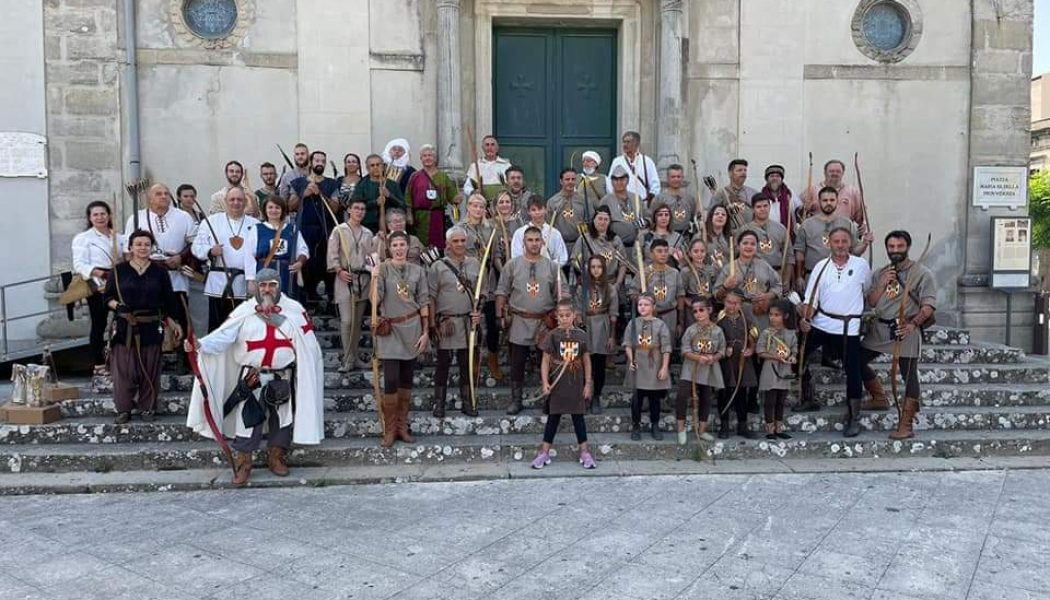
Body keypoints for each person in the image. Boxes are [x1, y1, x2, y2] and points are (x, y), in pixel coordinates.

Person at [186, 268, 324, 487]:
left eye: (271, 284)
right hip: (252, 376)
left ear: (279, 285)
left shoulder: (294, 310)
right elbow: (223, 337)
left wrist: (278, 321)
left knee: (282, 419)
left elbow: (308, 346)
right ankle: (244, 464)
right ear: (256, 287)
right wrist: (201, 344)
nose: (267, 289)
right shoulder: (245, 311)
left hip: (281, 376)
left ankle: (276, 458)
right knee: (247, 420)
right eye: (262, 285)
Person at [860, 230, 936, 440]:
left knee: (909, 376)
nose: (895, 251)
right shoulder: (881, 272)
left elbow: (928, 306)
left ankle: (906, 424)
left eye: (899, 247)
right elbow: (873, 302)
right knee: (855, 360)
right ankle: (878, 397)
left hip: (906, 329)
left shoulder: (922, 273)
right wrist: (883, 282)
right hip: (880, 329)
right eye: (891, 247)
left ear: (907, 247)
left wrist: (913, 325)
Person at [799, 227, 872, 437]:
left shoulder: (861, 266)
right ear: (828, 243)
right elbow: (811, 299)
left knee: (854, 371)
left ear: (850, 243)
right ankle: (808, 397)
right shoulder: (821, 267)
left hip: (849, 328)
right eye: (836, 241)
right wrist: (806, 317)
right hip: (822, 323)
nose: (840, 245)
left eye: (844, 241)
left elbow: (866, 291)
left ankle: (854, 417)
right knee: (798, 357)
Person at [104, 230, 182, 424]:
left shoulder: (160, 272)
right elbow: (107, 297)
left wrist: (173, 322)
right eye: (138, 244)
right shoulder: (118, 270)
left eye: (146, 244)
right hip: (125, 326)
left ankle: (147, 408)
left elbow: (169, 300)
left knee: (150, 369)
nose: (142, 248)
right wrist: (118, 306)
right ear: (130, 247)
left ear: (152, 247)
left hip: (151, 325)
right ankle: (124, 409)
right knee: (124, 371)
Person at [496, 226, 568, 415]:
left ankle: (549, 398)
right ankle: (516, 399)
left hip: (545, 322)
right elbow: (502, 291)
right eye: (530, 240)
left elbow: (563, 294)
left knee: (548, 362)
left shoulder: (553, 267)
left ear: (542, 242)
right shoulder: (512, 265)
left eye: (537, 240)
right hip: (520, 320)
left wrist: (561, 316)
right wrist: (499, 317)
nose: (534, 244)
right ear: (523, 242)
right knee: (517, 362)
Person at [125, 184, 199, 364]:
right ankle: (149, 359)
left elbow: (195, 244)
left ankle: (183, 360)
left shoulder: (183, 217)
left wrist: (181, 257)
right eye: (158, 194)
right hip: (147, 279)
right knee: (150, 318)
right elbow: (128, 251)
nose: (164, 196)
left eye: (167, 193)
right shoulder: (136, 218)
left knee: (179, 316)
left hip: (176, 278)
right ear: (150, 198)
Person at [373, 231, 430, 447]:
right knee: (390, 380)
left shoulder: (418, 270)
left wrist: (425, 332)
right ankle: (389, 429)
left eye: (402, 244)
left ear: (408, 247)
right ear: (389, 248)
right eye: (395, 245)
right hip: (391, 329)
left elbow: (424, 300)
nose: (399, 248)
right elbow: (375, 299)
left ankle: (402, 426)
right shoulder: (383, 270)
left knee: (406, 380)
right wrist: (375, 275)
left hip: (413, 327)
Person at [530, 299, 596, 470]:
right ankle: (544, 452)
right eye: (561, 316)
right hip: (558, 382)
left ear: (574, 316)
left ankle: (584, 452)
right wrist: (545, 382)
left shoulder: (581, 336)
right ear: (557, 317)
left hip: (575, 382)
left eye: (568, 315)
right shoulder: (552, 335)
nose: (565, 318)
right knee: (553, 417)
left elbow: (586, 360)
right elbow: (545, 360)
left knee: (578, 417)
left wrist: (588, 383)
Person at [428, 227, 483, 418]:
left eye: (462, 241)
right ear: (448, 244)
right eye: (456, 241)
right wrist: (433, 324)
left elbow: (481, 294)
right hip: (447, 323)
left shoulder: (475, 263)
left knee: (466, 364)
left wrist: (478, 312)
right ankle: (439, 403)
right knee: (443, 363)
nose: (460, 244)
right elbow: (431, 297)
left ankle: (468, 401)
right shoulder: (438, 267)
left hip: (468, 322)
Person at [192, 187, 259, 331]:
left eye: (240, 199)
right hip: (218, 282)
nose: (236, 203)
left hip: (243, 282)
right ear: (225, 202)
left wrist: (252, 279)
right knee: (217, 326)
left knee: (241, 326)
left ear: (245, 202)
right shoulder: (211, 222)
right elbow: (196, 247)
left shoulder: (255, 224)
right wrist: (210, 251)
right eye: (232, 199)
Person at [72, 201, 126, 376]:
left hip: (118, 281)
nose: (100, 217)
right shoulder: (83, 238)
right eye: (95, 214)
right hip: (97, 283)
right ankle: (99, 363)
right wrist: (101, 274)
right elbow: (80, 264)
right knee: (99, 323)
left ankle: (120, 358)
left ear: (109, 215)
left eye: (103, 214)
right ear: (90, 217)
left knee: (122, 320)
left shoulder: (118, 236)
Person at [794, 186, 872, 294]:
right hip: (813, 276)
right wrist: (799, 276)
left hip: (841, 278)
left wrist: (865, 244)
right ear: (819, 201)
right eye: (825, 200)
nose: (828, 203)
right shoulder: (807, 224)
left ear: (837, 201)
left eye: (832, 200)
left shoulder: (847, 223)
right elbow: (800, 252)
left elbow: (854, 251)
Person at [327, 198, 375, 372]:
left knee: (357, 322)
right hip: (344, 279)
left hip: (362, 280)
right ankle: (347, 359)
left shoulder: (368, 233)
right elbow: (332, 253)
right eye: (356, 208)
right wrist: (338, 270)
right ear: (349, 210)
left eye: (363, 209)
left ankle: (354, 358)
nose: (360, 211)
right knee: (347, 321)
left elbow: (371, 256)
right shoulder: (339, 230)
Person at [289, 150, 341, 308]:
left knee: (327, 263)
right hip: (304, 230)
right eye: (317, 160)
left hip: (326, 230)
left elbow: (336, 207)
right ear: (311, 162)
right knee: (306, 264)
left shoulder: (331, 183)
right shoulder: (298, 182)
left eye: (323, 161)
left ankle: (331, 300)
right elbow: (290, 206)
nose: (320, 163)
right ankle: (305, 300)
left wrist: (321, 195)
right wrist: (304, 194)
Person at [461, 194, 502, 382]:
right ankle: (474, 358)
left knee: (493, 323)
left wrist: (503, 275)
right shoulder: (460, 229)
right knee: (473, 322)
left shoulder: (491, 229)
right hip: (469, 282)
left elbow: (496, 256)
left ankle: (493, 358)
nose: (477, 209)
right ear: (468, 207)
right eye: (474, 205)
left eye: (481, 206)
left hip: (489, 281)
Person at [624, 294, 671, 440]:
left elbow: (666, 347)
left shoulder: (660, 324)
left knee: (654, 398)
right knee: (637, 398)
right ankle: (636, 426)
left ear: (653, 307)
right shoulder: (633, 323)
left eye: (646, 305)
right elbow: (627, 344)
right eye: (640, 305)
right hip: (638, 362)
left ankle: (655, 425)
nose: (642, 307)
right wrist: (631, 360)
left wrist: (664, 367)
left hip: (654, 362)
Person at [715, 230, 782, 332]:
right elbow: (717, 295)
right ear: (738, 246)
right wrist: (725, 286)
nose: (748, 247)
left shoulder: (764, 265)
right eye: (745, 243)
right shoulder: (729, 268)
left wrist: (768, 296)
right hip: (737, 313)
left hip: (759, 311)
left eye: (752, 244)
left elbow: (778, 285)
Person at [679, 298, 725, 443]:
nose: (698, 314)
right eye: (695, 311)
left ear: (709, 310)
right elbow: (685, 350)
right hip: (691, 367)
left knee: (706, 397)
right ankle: (680, 430)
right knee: (682, 395)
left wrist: (714, 357)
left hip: (708, 368)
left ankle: (702, 430)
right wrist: (697, 357)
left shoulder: (717, 331)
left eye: (701, 310)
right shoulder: (691, 330)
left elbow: (722, 350)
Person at [576, 255, 618, 414]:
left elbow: (614, 313)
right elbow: (578, 309)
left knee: (599, 365)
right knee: (585, 362)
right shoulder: (582, 288)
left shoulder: (610, 288)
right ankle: (584, 395)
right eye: (593, 267)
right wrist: (580, 325)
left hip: (602, 326)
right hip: (587, 326)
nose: (596, 270)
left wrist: (612, 336)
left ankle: (596, 397)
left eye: (599, 267)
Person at [245, 196, 308, 297]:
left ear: (282, 210)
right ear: (265, 210)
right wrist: (251, 279)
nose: (274, 210)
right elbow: (249, 255)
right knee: (266, 306)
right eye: (270, 207)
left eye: (277, 207)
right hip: (265, 276)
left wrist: (300, 262)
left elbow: (303, 250)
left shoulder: (292, 229)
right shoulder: (257, 229)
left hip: (287, 276)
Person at [717, 288, 758, 439]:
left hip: (742, 360)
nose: (732, 306)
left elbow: (753, 335)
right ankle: (724, 425)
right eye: (729, 302)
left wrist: (751, 349)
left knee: (741, 393)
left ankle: (742, 425)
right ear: (724, 302)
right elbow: (714, 338)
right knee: (725, 393)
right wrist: (723, 348)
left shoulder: (745, 318)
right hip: (726, 362)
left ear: (741, 304)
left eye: (735, 303)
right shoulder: (719, 319)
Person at [756, 300, 798, 440]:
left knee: (781, 400)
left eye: (776, 315)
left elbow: (794, 350)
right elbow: (760, 351)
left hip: (785, 369)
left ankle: (779, 428)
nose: (772, 318)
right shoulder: (766, 333)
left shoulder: (791, 333)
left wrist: (792, 357)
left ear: (785, 316)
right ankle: (770, 429)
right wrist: (774, 356)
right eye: (771, 314)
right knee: (770, 400)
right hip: (770, 368)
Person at [405, 144, 459, 249]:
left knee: (437, 245)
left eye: (430, 155)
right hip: (419, 217)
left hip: (437, 217)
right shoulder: (415, 176)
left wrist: (456, 199)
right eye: (424, 156)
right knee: (420, 245)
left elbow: (452, 197)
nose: (427, 158)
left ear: (435, 158)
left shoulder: (443, 176)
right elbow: (408, 197)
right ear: (421, 159)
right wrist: (409, 214)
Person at [630, 239, 685, 338]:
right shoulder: (644, 273)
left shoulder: (675, 273)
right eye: (659, 251)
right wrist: (645, 302)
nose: (663, 254)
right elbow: (633, 294)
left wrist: (680, 322)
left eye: (666, 251)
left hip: (670, 315)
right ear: (651, 254)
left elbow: (680, 296)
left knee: (668, 346)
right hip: (650, 316)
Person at [570, 207, 628, 292]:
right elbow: (575, 260)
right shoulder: (584, 239)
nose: (602, 222)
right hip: (590, 284)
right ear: (594, 220)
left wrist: (617, 284)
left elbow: (623, 264)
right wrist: (586, 270)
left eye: (606, 219)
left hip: (611, 284)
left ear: (609, 222)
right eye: (600, 219)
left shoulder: (616, 240)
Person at [740, 193, 791, 280]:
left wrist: (786, 278)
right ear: (753, 209)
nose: (762, 209)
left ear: (769, 207)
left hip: (776, 274)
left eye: (765, 206)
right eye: (758, 207)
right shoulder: (745, 230)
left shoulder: (781, 228)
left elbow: (789, 256)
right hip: (752, 276)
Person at [802, 159, 866, 226]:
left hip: (844, 233)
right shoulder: (812, 191)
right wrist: (804, 209)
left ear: (843, 173)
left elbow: (861, 218)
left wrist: (862, 226)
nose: (835, 174)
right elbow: (799, 214)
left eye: (838, 171)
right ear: (825, 173)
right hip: (818, 233)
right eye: (831, 171)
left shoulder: (853, 192)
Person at [352, 153, 405, 233]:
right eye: (372, 165)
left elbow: (402, 205)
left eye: (378, 165)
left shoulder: (392, 184)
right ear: (367, 168)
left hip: (390, 226)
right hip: (368, 226)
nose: (376, 167)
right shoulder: (362, 184)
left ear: (383, 167)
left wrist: (389, 195)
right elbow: (355, 205)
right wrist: (375, 202)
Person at [510, 197, 568, 266]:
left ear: (545, 210)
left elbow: (562, 257)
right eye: (533, 210)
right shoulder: (520, 233)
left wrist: (546, 266)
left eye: (540, 209)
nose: (537, 212)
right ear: (529, 212)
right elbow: (516, 256)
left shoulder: (555, 233)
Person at [598, 164, 643, 246]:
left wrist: (643, 223)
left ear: (628, 180)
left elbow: (648, 217)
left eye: (622, 179)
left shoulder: (636, 198)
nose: (619, 182)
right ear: (611, 181)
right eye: (615, 179)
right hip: (615, 245)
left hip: (637, 245)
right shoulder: (606, 200)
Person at [608, 130, 660, 201]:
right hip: (622, 203)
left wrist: (650, 200)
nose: (625, 144)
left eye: (628, 142)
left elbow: (655, 184)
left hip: (643, 203)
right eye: (624, 142)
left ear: (637, 143)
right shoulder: (617, 161)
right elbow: (610, 183)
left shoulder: (647, 161)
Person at [547, 168, 590, 250]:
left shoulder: (583, 200)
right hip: (559, 245)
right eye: (567, 179)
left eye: (573, 179)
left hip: (580, 244)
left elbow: (589, 222)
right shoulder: (552, 202)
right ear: (561, 181)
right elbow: (548, 225)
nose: (570, 182)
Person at [710, 159, 757, 233]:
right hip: (728, 235)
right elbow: (712, 215)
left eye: (745, 170)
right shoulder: (721, 193)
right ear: (730, 173)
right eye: (739, 170)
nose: (743, 173)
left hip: (749, 234)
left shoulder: (753, 193)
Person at [463, 134, 511, 199]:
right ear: (483, 148)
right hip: (481, 203)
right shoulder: (475, 166)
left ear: (497, 148)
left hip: (501, 203)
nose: (490, 147)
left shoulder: (506, 166)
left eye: (492, 145)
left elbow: (512, 185)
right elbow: (467, 187)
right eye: (487, 145)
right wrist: (473, 192)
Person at [653, 164, 697, 234]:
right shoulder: (659, 199)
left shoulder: (690, 198)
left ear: (682, 178)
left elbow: (694, 217)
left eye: (678, 177)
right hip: (667, 235)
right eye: (673, 177)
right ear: (668, 178)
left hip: (686, 236)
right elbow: (652, 218)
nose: (676, 179)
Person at [704, 205, 731, 272]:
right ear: (711, 217)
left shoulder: (731, 237)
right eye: (716, 214)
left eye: (723, 214)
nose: (720, 216)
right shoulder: (701, 236)